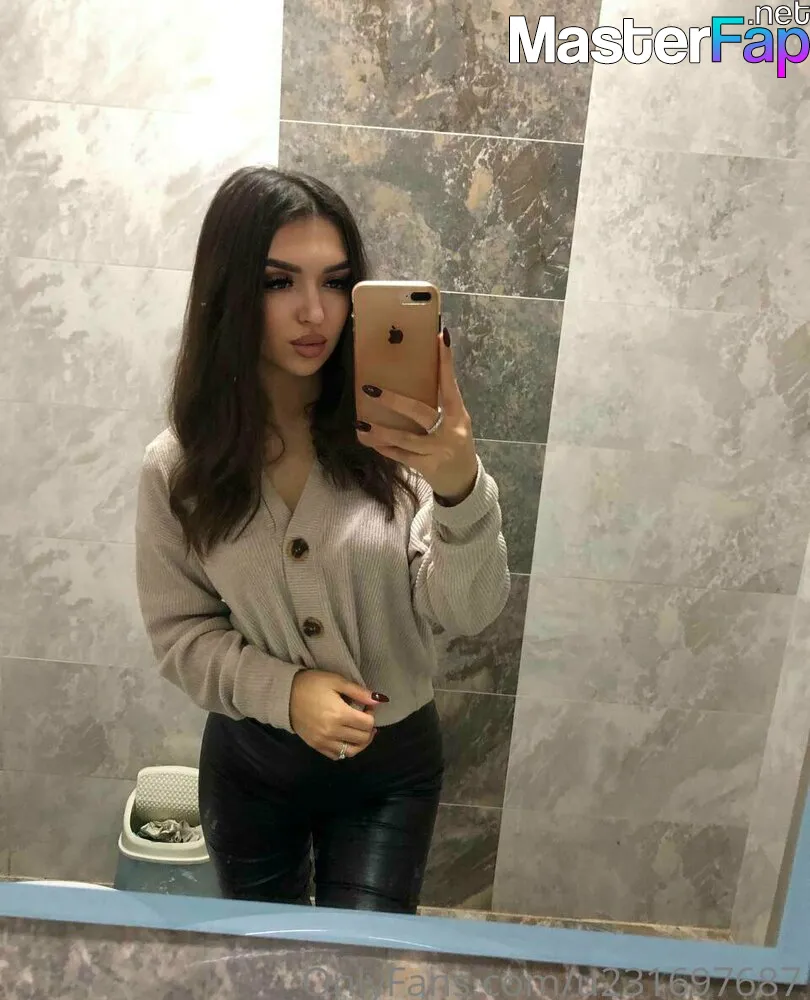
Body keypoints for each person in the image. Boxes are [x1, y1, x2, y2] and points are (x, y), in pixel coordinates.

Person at [134, 165, 510, 914]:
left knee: (360, 962)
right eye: (279, 282)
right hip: (251, 763)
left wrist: (461, 488)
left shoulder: (402, 446)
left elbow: (469, 611)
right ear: (230, 291)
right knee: (263, 962)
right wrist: (286, 691)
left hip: (389, 770)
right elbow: (180, 636)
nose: (315, 312)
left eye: (336, 283)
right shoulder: (181, 467)